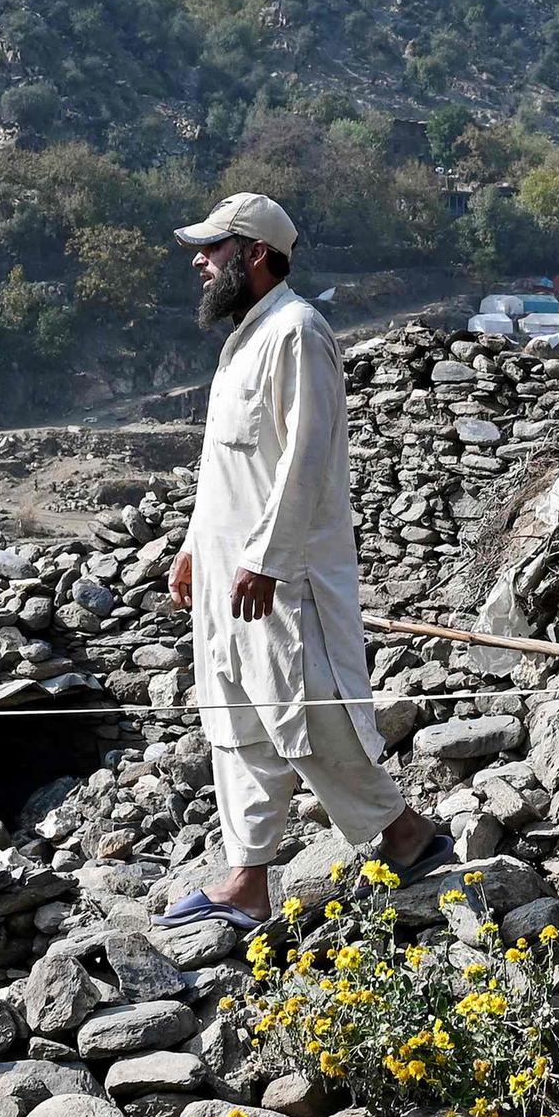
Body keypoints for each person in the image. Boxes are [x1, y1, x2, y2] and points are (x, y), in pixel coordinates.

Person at [159, 191, 447, 928]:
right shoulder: (243, 342)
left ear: (256, 253)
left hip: (279, 579)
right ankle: (247, 881)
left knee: (306, 711)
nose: (200, 261)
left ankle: (404, 833)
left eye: (214, 248)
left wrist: (267, 558)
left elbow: (306, 458)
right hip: (228, 576)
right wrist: (194, 549)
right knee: (237, 723)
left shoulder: (298, 331)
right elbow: (225, 470)